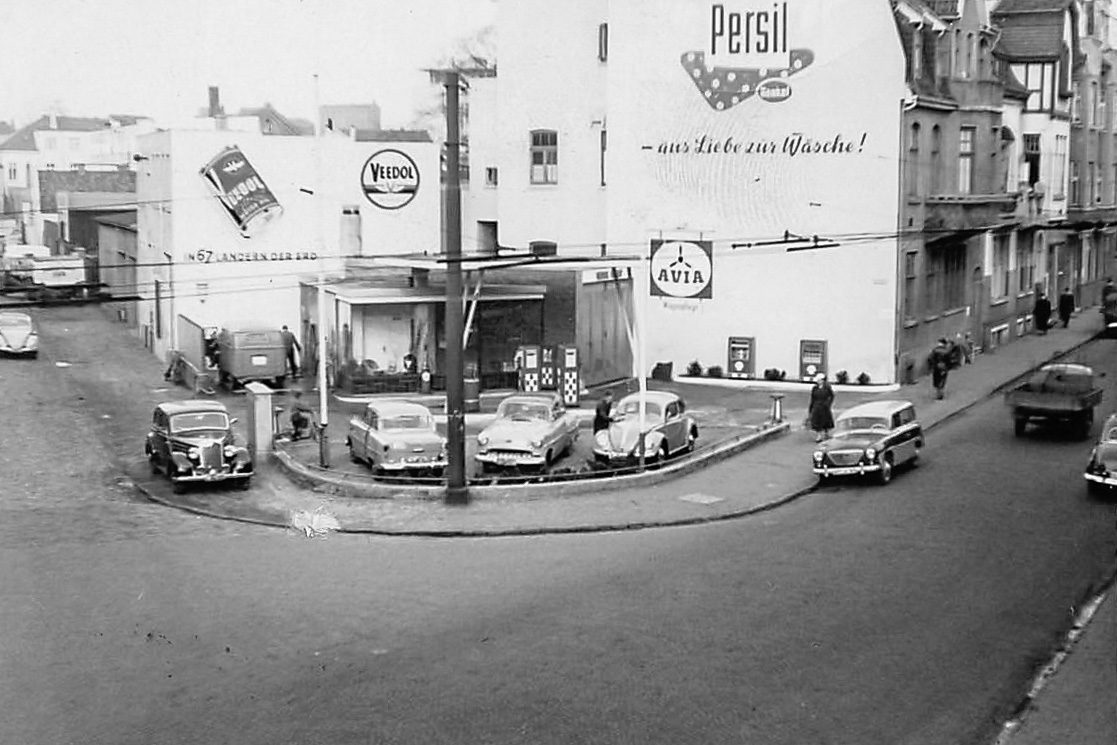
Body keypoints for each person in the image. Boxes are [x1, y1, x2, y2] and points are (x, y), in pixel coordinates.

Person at [807, 372, 835, 442]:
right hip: (817, 406)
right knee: (817, 421)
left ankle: (826, 433)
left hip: (825, 406)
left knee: (826, 420)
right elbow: (812, 398)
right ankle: (819, 436)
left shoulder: (827, 388)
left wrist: (828, 403)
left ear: (823, 380)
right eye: (818, 380)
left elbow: (831, 396)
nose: (818, 381)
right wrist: (811, 407)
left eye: (820, 380)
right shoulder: (815, 388)